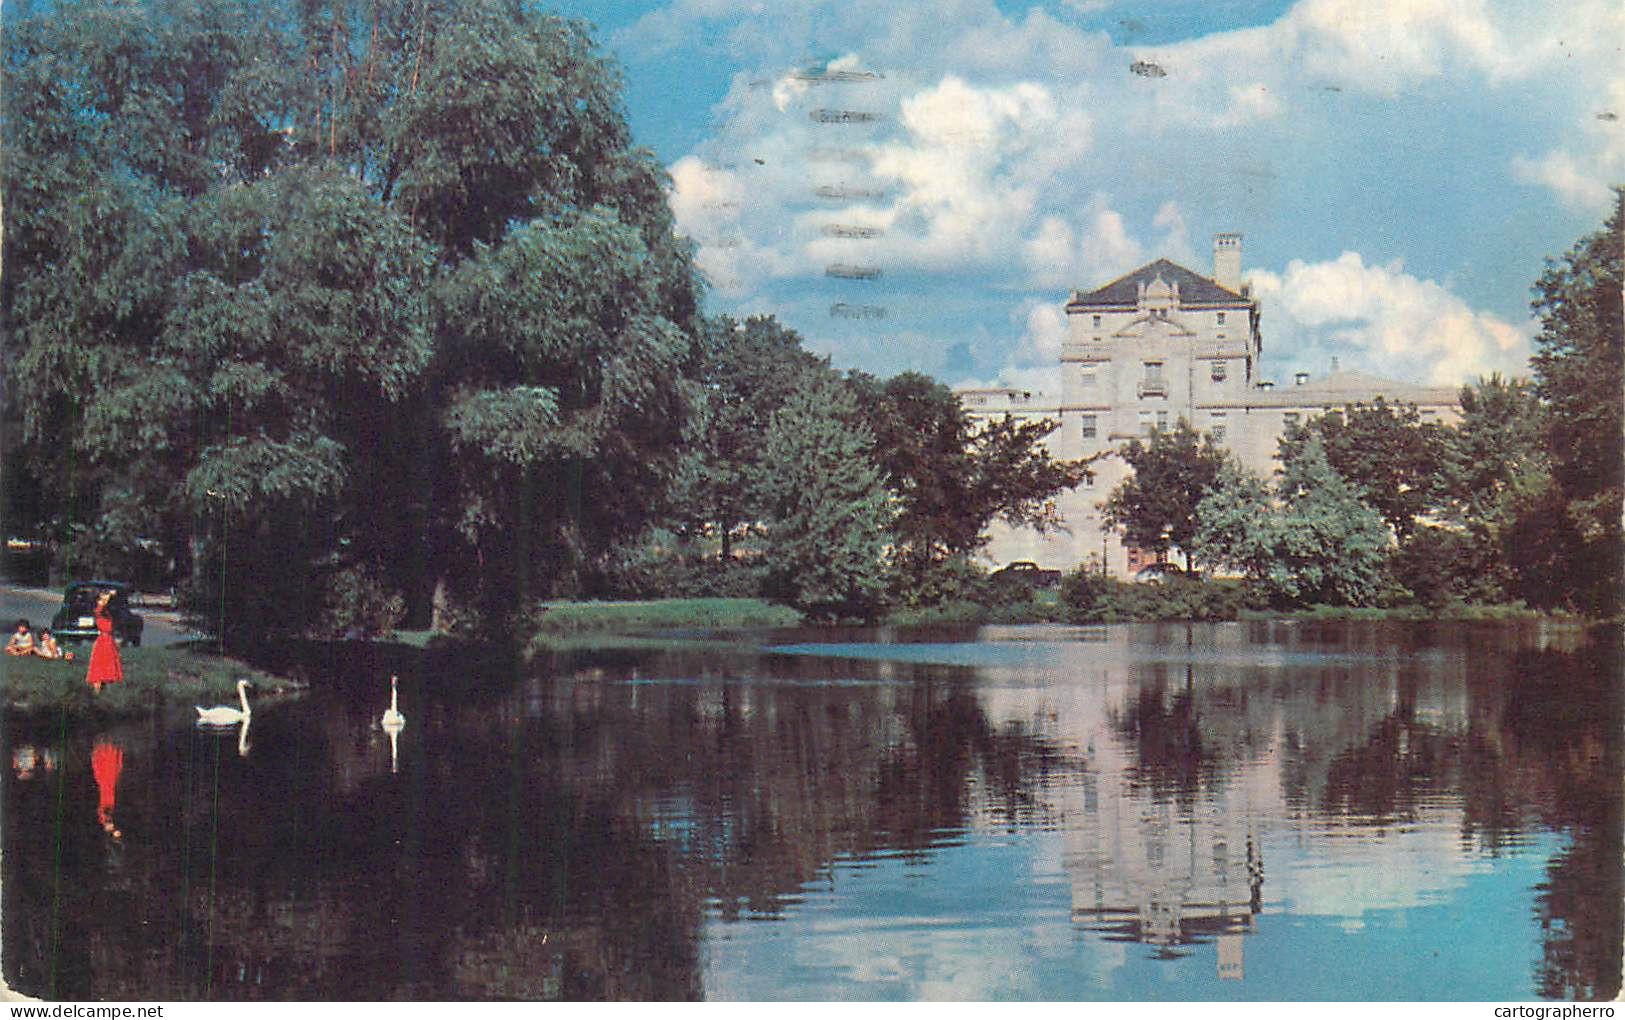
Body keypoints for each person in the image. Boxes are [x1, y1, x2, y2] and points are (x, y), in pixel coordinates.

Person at [85, 590, 124, 692]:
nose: (104, 601)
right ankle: (97, 690)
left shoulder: (107, 611)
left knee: (108, 667)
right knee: (99, 668)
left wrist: (111, 596)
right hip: (103, 641)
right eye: (101, 599)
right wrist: (109, 595)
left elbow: (114, 603)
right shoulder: (99, 610)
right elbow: (104, 605)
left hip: (108, 640)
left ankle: (105, 690)